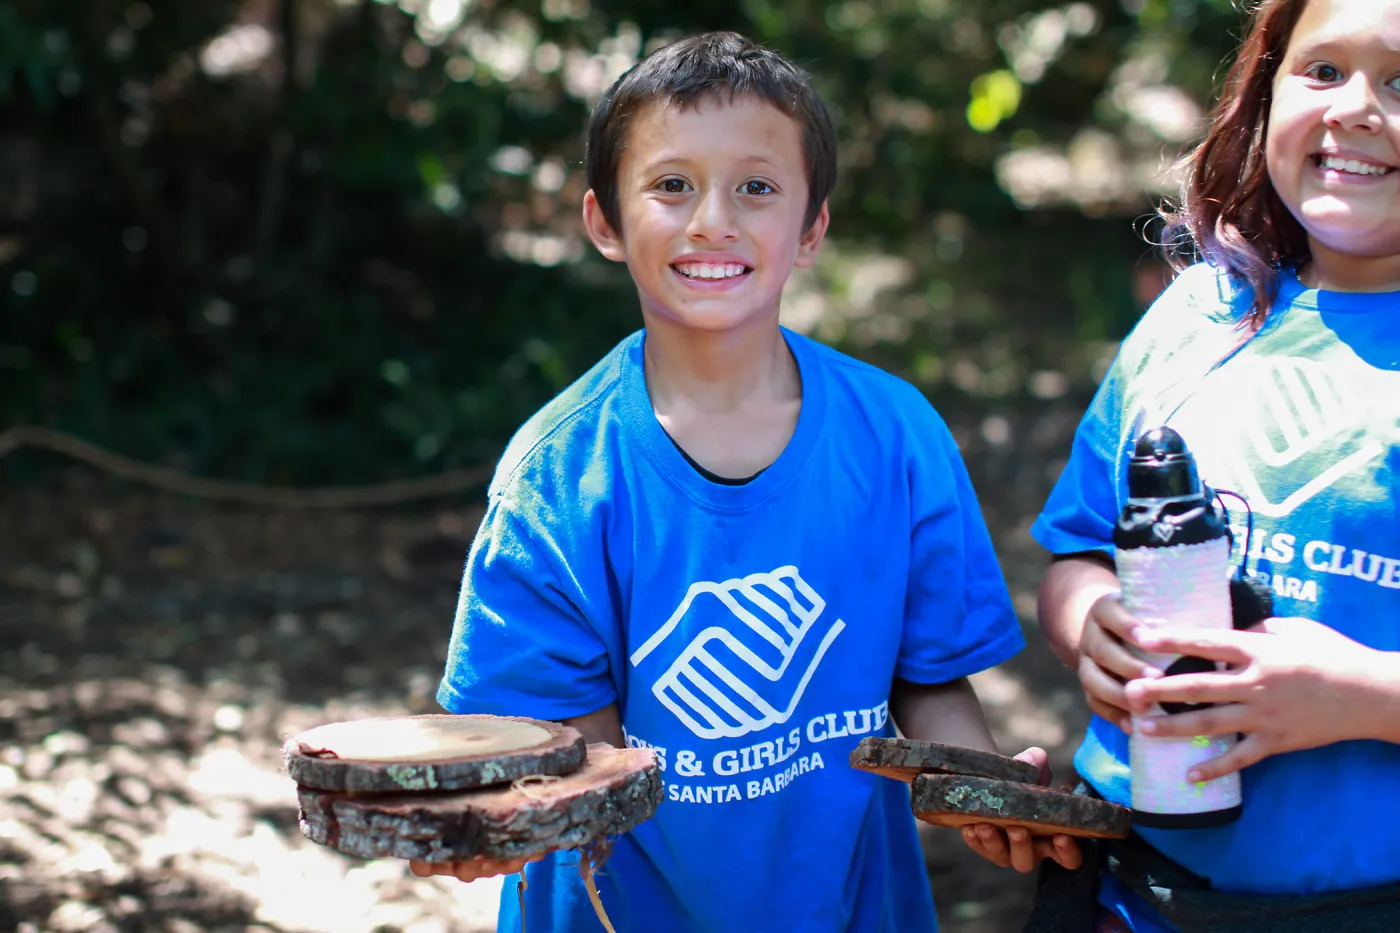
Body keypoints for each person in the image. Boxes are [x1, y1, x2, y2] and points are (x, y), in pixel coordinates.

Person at [405, 30, 1067, 933]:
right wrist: (495, 825)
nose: (713, 220)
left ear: (812, 227)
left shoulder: (896, 434)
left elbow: (931, 681)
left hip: (853, 907)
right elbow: (561, 753)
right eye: (672, 184)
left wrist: (981, 789)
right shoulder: (557, 476)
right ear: (604, 221)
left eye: (756, 187)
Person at [964, 0, 1400, 930]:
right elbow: (1081, 553)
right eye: (1323, 71)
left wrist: (1367, 697)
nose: (1357, 107)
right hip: (1126, 894)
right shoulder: (1198, 312)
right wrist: (1094, 627)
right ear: (1266, 91)